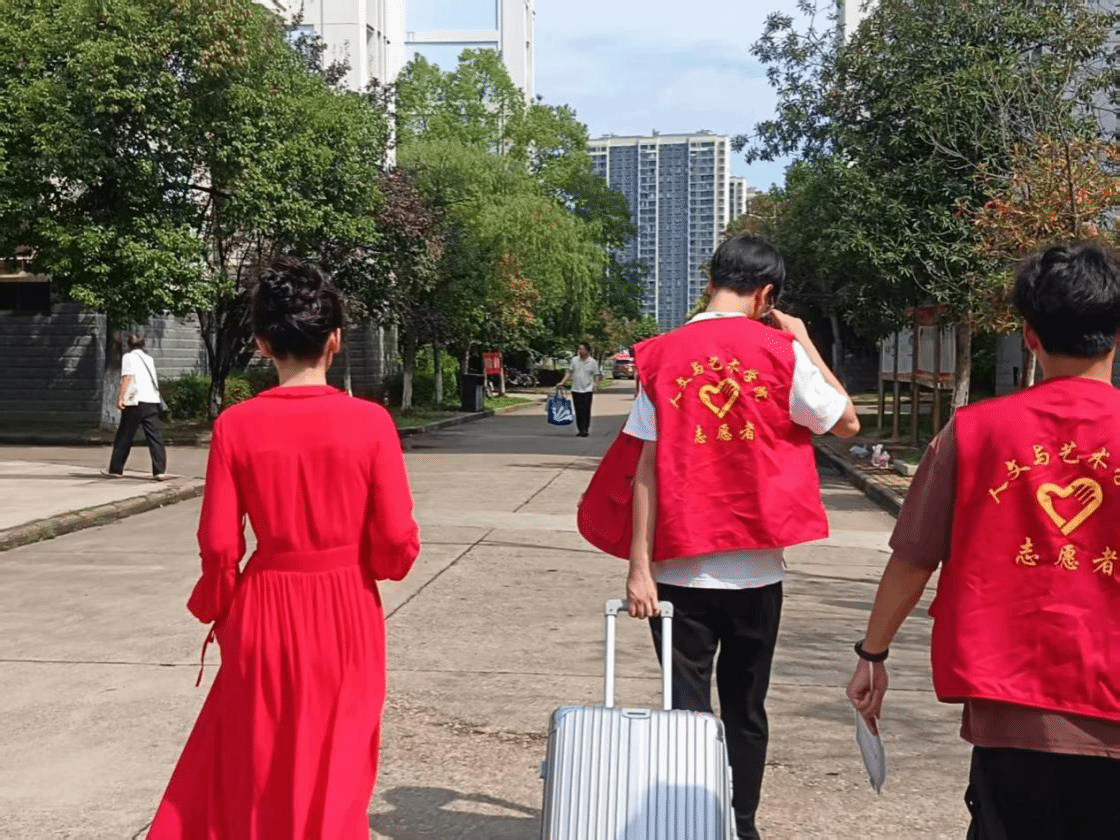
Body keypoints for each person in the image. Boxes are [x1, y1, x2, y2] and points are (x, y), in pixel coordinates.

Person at [847, 242, 1120, 839]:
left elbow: (913, 558)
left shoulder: (975, 433)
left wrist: (873, 653)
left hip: (1011, 714)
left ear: (1029, 335)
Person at [147, 257, 421, 839]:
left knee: (258, 766)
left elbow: (220, 544)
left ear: (263, 344)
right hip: (345, 608)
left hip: (264, 608)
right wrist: (376, 566)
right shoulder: (371, 423)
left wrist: (216, 603)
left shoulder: (236, 426)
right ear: (335, 340)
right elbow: (396, 540)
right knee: (337, 767)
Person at [624, 234, 860, 840]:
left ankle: (687, 825)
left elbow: (645, 469)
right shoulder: (781, 352)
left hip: (676, 574)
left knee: (685, 711)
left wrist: (639, 568)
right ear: (766, 295)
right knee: (745, 711)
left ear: (710, 282)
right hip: (756, 574)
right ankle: (741, 825)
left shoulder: (660, 355)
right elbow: (846, 421)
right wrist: (803, 339)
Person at [103, 335, 168, 480]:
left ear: (129, 345)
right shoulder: (149, 359)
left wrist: (120, 398)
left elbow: (127, 378)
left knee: (125, 435)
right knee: (155, 437)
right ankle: (159, 471)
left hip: (135, 402)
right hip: (152, 400)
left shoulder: (128, 357)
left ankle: (116, 469)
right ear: (143, 344)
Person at [559, 342, 602, 437]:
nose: (580, 351)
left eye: (582, 349)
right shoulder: (574, 360)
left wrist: (595, 384)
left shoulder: (592, 362)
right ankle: (580, 429)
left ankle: (585, 429)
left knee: (586, 409)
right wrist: (563, 382)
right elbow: (569, 372)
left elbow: (596, 374)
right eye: (579, 349)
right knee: (578, 410)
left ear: (587, 350)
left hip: (587, 389)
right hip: (576, 388)